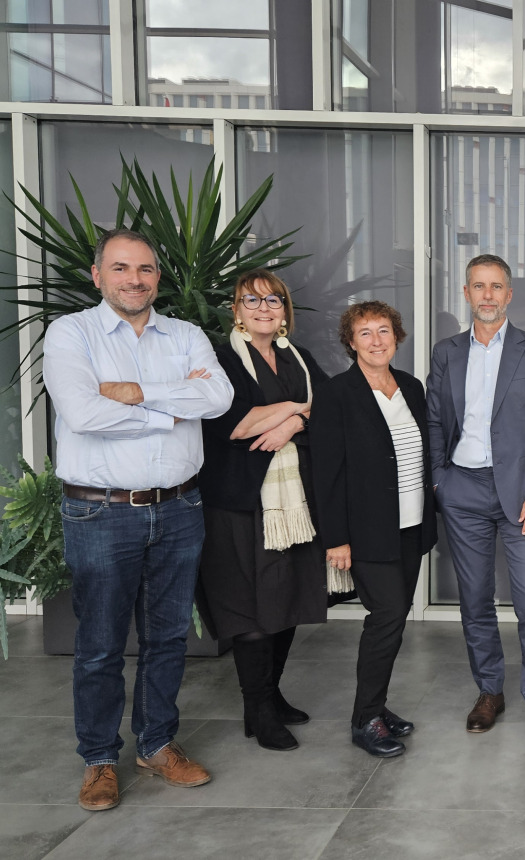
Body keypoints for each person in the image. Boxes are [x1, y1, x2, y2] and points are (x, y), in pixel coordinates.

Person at [43, 228, 233, 812]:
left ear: (158, 276)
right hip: (100, 511)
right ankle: (100, 758)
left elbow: (218, 399)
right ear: (98, 275)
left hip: (179, 507)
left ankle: (156, 745)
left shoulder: (187, 334)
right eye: (121, 268)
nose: (134, 279)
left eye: (145, 269)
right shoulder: (71, 333)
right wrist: (170, 408)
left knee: (168, 638)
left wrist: (131, 393)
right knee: (100, 645)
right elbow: (82, 412)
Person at [425, 254, 525, 751]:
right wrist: (440, 482)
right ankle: (489, 691)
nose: (487, 295)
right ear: (466, 293)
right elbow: (435, 420)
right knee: (475, 599)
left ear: (509, 294)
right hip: (463, 491)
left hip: (523, 495)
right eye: (478, 286)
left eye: (496, 286)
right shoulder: (446, 352)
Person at [198, 270, 329, 752]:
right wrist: (298, 407)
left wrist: (291, 423)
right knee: (248, 608)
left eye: (273, 300)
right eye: (251, 300)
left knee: (286, 600)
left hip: (294, 501)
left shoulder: (299, 356)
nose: (263, 308)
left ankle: (271, 695)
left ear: (284, 311)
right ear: (236, 310)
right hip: (239, 503)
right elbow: (234, 423)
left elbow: (329, 407)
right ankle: (257, 709)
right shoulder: (220, 359)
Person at [310, 301, 437, 758]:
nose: (376, 340)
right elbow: (326, 472)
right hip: (366, 530)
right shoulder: (336, 394)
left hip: (411, 524)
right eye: (365, 333)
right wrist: (336, 539)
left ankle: (376, 707)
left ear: (396, 336)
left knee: (394, 620)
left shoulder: (411, 387)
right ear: (351, 342)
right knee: (386, 617)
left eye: (384, 330)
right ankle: (365, 720)